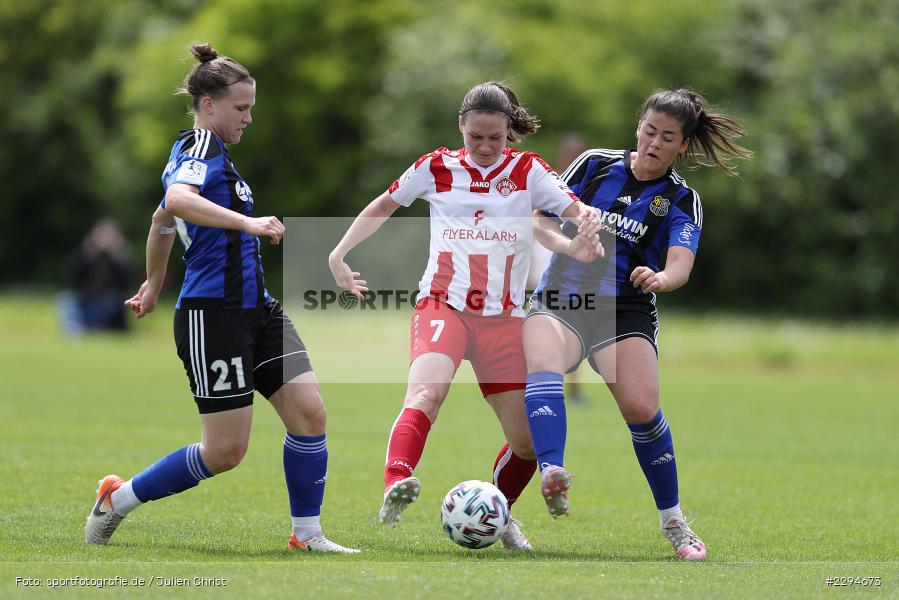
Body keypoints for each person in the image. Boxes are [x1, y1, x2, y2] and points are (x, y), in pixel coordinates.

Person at [84, 43, 359, 554]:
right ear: (208, 104)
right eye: (241, 107)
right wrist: (248, 222)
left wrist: (152, 281)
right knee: (225, 451)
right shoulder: (200, 147)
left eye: (251, 107)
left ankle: (307, 534)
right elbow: (175, 203)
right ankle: (117, 499)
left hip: (259, 310)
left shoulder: (209, 156)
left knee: (310, 415)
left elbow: (161, 223)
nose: (249, 117)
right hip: (214, 316)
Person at [328, 81, 599, 550]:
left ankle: (501, 512)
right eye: (477, 137)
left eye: (496, 137)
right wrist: (339, 254)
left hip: (504, 319)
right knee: (426, 391)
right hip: (443, 305)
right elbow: (383, 205)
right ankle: (397, 480)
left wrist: (588, 227)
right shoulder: (436, 166)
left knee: (527, 443)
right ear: (461, 127)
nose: (486, 147)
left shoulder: (529, 170)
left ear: (510, 131)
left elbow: (576, 210)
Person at [523, 88, 751, 560]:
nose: (654, 143)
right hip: (564, 297)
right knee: (544, 363)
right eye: (649, 131)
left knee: (642, 410)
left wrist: (661, 278)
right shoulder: (592, 164)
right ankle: (552, 473)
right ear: (638, 127)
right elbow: (539, 221)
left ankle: (675, 523)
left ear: (683, 145)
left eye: (667, 137)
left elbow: (680, 265)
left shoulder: (682, 200)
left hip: (625, 310)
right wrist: (568, 246)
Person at [527, 134, 588, 403]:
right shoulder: (548, 185)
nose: (573, 157)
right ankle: (540, 386)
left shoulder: (586, 185)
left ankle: (570, 390)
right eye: (570, 152)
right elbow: (534, 225)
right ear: (562, 154)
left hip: (571, 270)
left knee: (572, 327)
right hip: (543, 263)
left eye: (579, 152)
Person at [58, 219, 135, 336]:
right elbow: (71, 275)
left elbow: (127, 281)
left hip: (111, 299)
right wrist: (87, 253)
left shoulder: (120, 257)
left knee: (109, 303)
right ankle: (74, 330)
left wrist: (116, 256)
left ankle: (92, 329)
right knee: (66, 299)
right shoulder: (87, 255)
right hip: (88, 296)